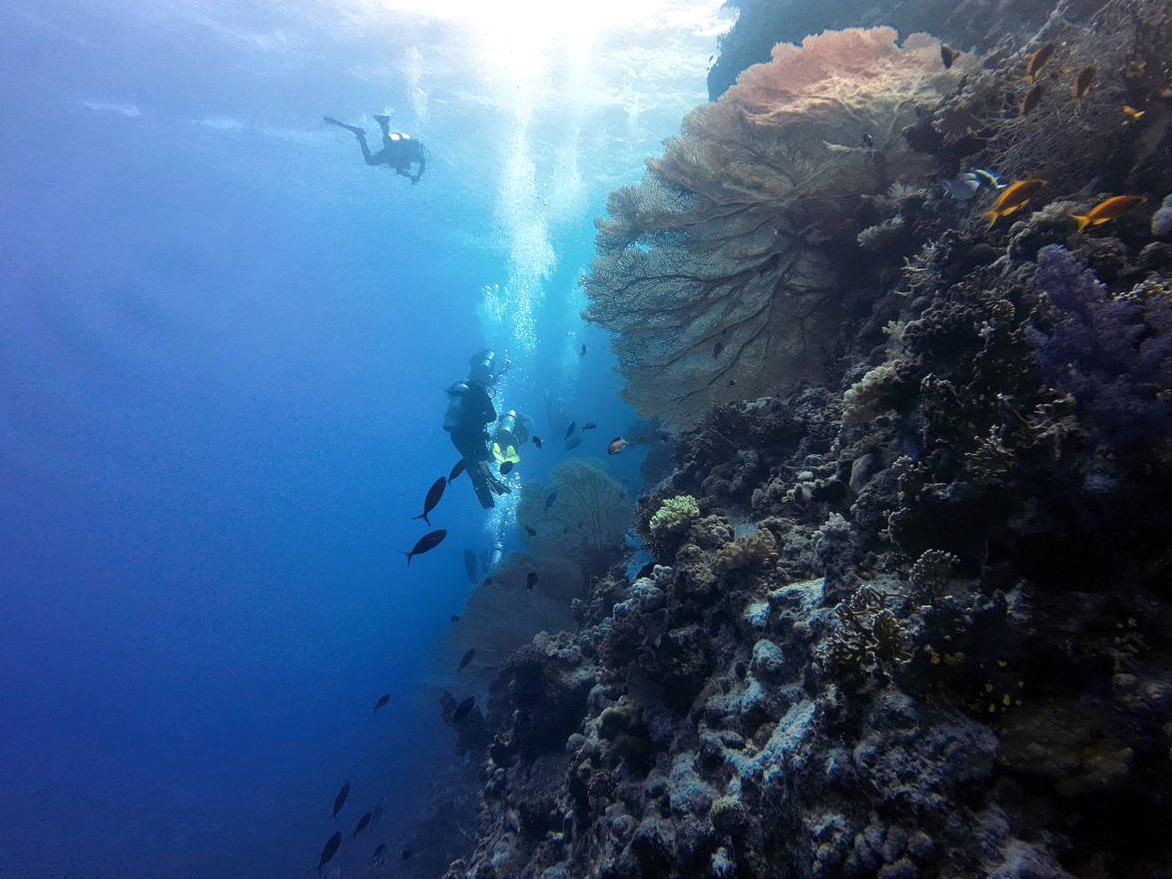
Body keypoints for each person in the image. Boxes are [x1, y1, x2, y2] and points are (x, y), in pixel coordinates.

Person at [444, 350, 512, 508]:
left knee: (472, 463)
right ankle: (488, 500)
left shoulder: (463, 388)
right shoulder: (479, 390)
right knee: (481, 459)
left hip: (457, 435)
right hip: (473, 434)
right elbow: (492, 416)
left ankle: (488, 494)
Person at [324, 114, 428, 184]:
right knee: (387, 144)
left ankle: (361, 135)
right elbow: (422, 164)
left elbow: (401, 170)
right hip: (397, 146)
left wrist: (413, 177)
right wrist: (417, 176)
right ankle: (380, 125)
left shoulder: (402, 162)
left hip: (392, 150)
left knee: (371, 160)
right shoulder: (416, 155)